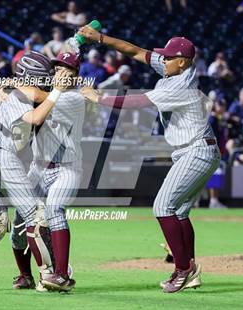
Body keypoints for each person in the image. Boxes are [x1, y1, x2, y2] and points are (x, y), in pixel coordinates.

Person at [78, 26, 220, 293]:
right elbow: (135, 51)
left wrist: (98, 98)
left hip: (196, 150)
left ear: (183, 62)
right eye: (163, 56)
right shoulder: (173, 68)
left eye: (168, 57)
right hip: (197, 150)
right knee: (178, 211)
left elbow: (138, 101)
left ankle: (184, 269)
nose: (162, 60)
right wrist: (100, 38)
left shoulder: (180, 84)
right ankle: (187, 266)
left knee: (162, 207)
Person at [0, 51, 73, 291]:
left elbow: (39, 97)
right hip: (1, 158)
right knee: (37, 216)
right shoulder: (14, 92)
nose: (45, 81)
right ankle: (49, 275)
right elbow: (36, 118)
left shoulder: (13, 88)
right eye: (41, 77)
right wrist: (58, 90)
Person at [9, 52, 84, 292]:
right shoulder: (49, 92)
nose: (61, 74)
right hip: (38, 168)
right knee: (19, 224)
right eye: (58, 70)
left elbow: (37, 95)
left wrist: (14, 81)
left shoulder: (74, 98)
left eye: (68, 72)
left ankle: (62, 275)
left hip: (67, 168)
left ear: (75, 78)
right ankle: (25, 275)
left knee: (54, 210)